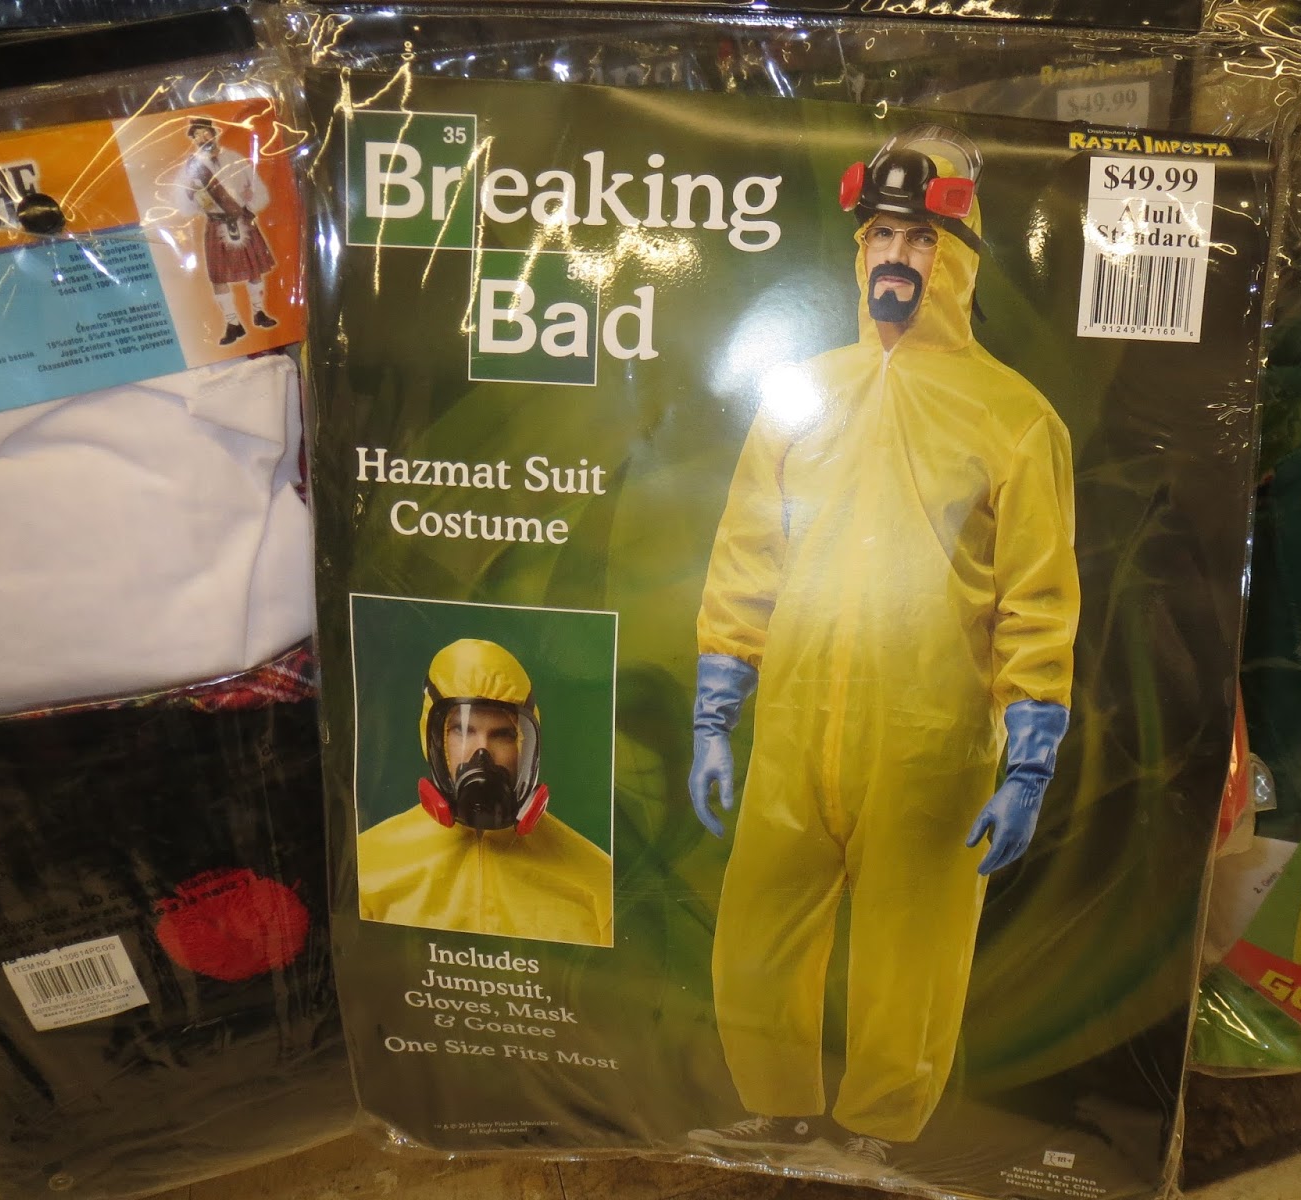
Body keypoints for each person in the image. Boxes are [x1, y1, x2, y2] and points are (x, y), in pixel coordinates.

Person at [686, 124, 1081, 1168]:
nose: (894, 258)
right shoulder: (799, 395)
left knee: (911, 952)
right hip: (793, 730)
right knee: (757, 931)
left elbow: (1039, 601)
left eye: (919, 239)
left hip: (930, 742)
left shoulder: (1015, 419)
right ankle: (778, 1110)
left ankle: (877, 1133)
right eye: (879, 237)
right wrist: (717, 713)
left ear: (960, 258)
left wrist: (1028, 761)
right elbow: (746, 556)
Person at [357, 638, 612, 947]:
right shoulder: (367, 869)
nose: (482, 753)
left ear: (526, 747)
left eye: (503, 734)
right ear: (432, 737)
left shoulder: (599, 885)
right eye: (462, 730)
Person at [174, 116, 279, 346]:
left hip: (242, 219)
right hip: (215, 223)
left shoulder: (234, 158)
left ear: (214, 133)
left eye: (205, 132)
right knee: (219, 277)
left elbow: (259, 189)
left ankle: (259, 313)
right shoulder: (191, 168)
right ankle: (233, 324)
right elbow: (183, 204)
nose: (202, 138)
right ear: (193, 140)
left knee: (254, 271)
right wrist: (193, 197)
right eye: (196, 135)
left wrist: (249, 207)